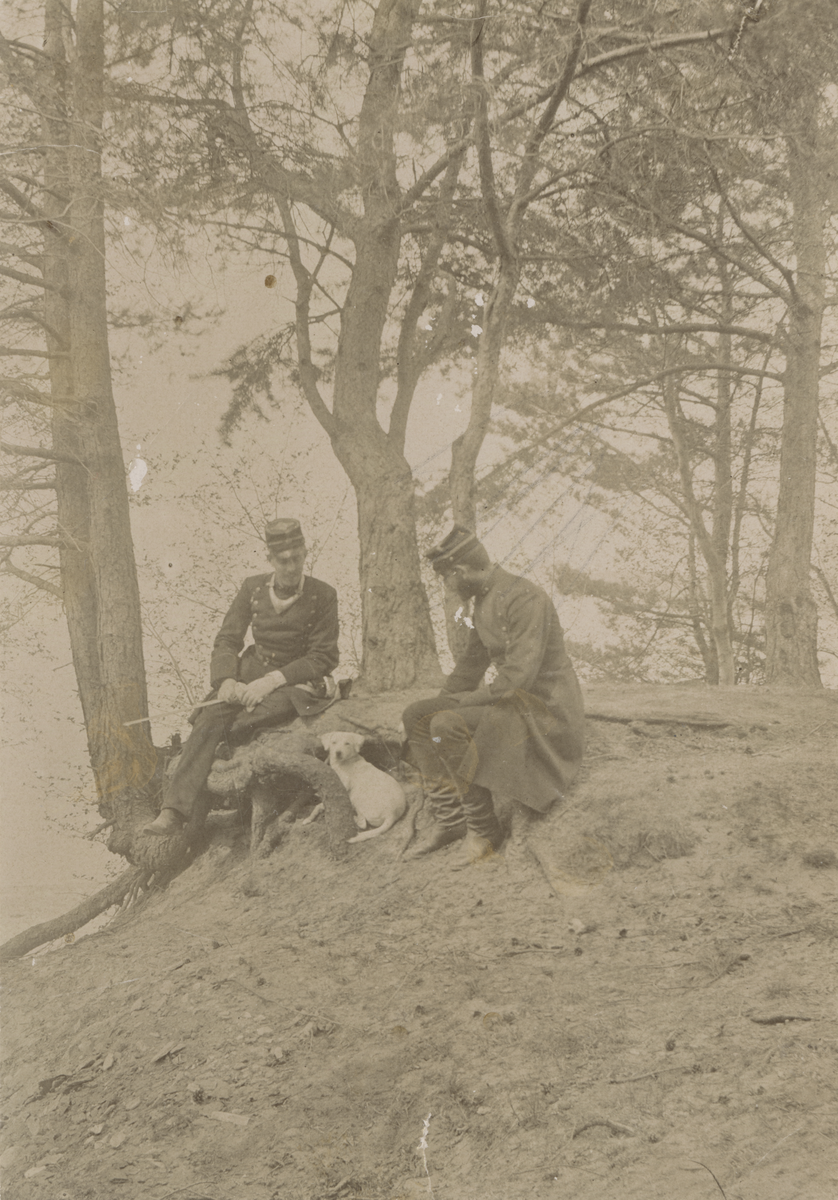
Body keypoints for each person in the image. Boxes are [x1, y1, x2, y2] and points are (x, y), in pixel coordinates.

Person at [144, 518, 339, 835]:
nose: (291, 567)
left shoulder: (323, 595)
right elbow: (227, 639)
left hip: (293, 682)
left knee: (248, 718)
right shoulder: (252, 588)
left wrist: (270, 682)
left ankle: (224, 761)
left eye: (296, 558)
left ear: (305, 552)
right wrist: (226, 681)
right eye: (283, 560)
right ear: (270, 559)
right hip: (251, 671)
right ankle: (173, 812)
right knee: (210, 717)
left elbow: (323, 656)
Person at [402, 526, 584, 862]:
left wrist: (462, 703)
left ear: (461, 571)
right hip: (513, 700)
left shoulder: (524, 598)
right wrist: (440, 701)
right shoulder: (484, 601)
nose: (448, 586)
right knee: (417, 715)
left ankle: (483, 829)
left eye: (447, 579)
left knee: (446, 724)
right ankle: (450, 820)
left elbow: (519, 676)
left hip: (544, 707)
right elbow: (471, 664)